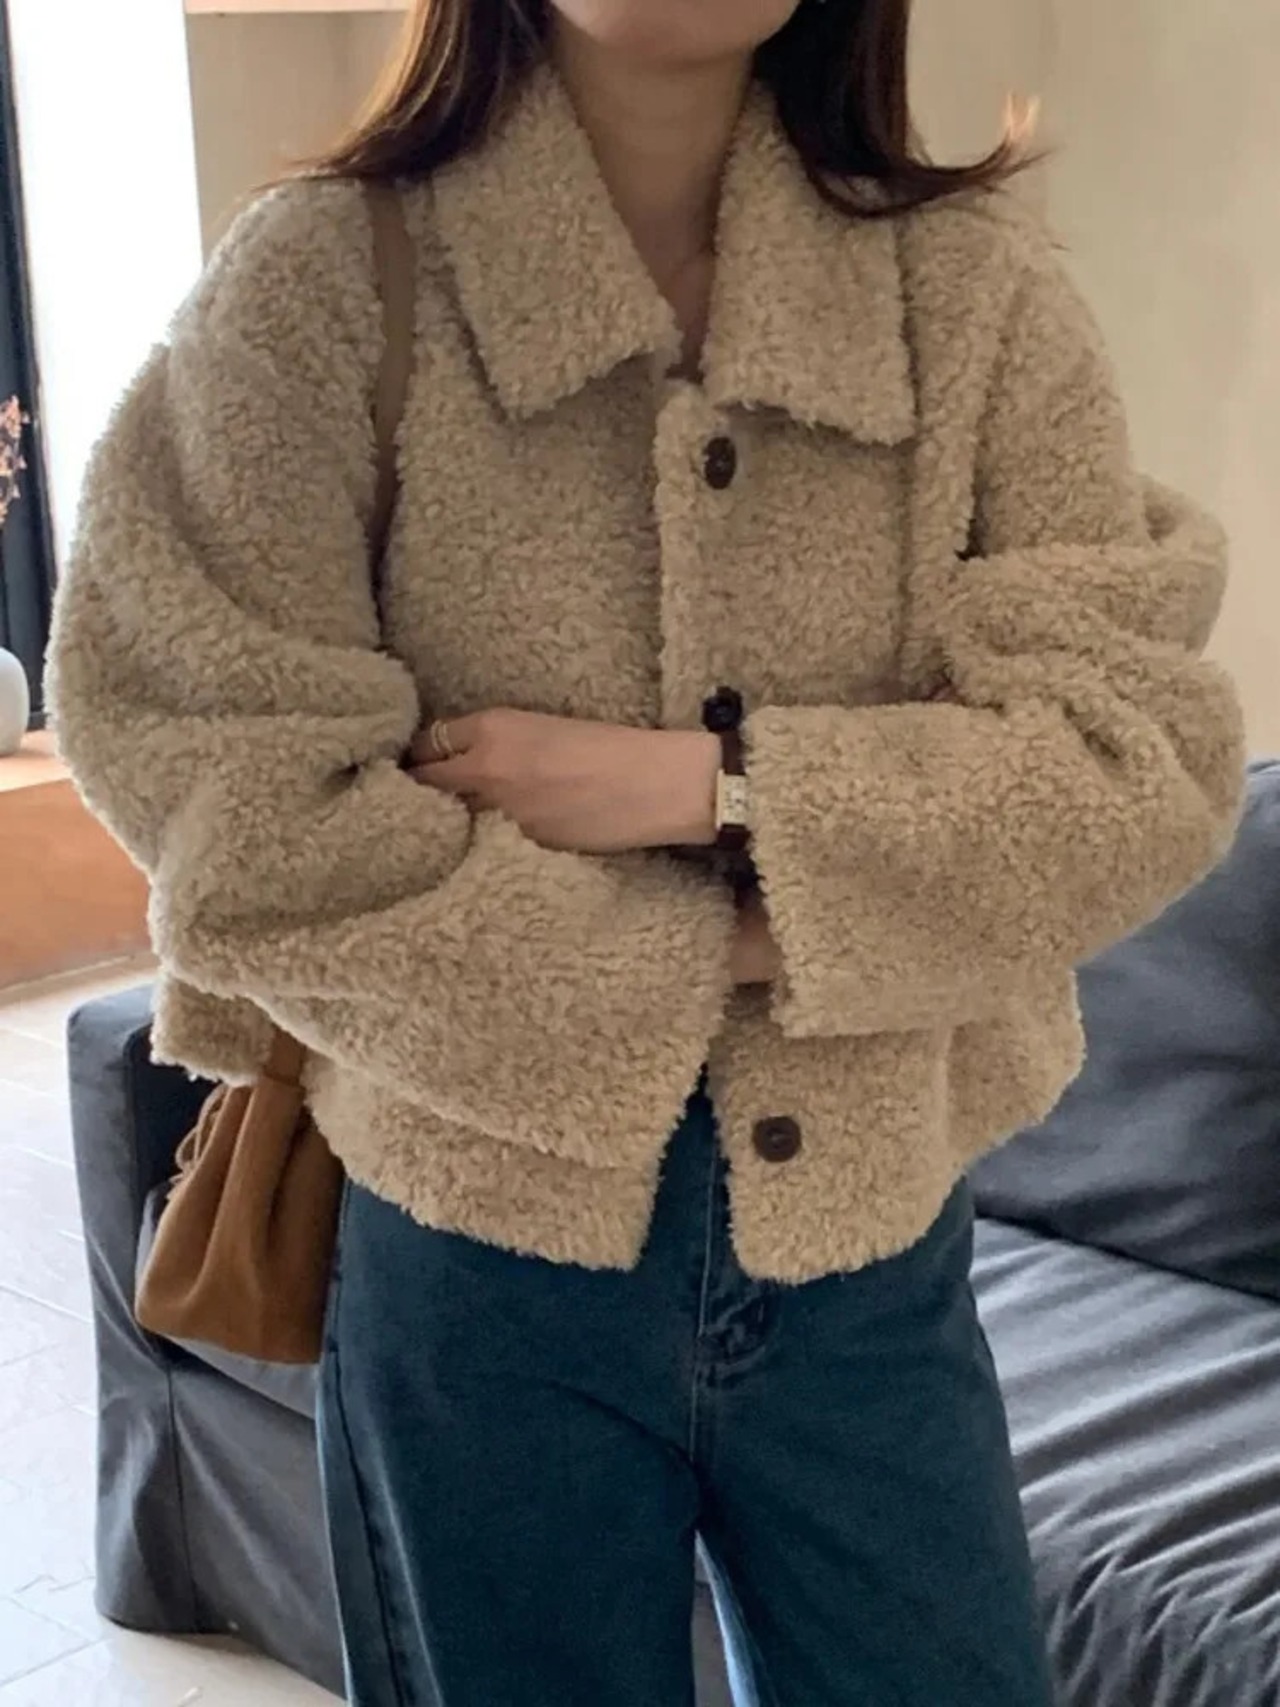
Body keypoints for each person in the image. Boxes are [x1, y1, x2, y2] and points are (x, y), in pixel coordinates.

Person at [50, 0, 1244, 1701]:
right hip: (476, 1259)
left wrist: (706, 788)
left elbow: (1134, 765)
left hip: (870, 1246)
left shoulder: (973, 292)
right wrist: (747, 943)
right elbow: (226, 793)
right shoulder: (322, 283)